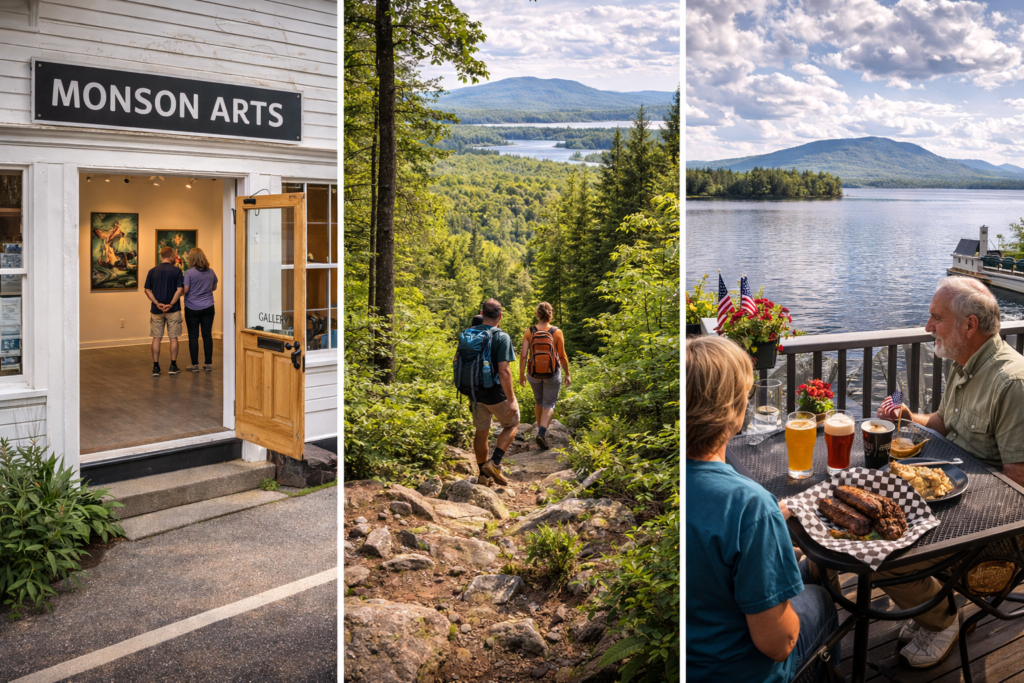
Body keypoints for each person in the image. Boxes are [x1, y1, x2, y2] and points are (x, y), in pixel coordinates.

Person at [869, 275, 1024, 666]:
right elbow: (943, 422)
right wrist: (910, 417)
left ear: (969, 325)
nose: (927, 327)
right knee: (870, 515)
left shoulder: (1013, 383)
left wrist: (943, 504)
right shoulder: (963, 362)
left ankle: (940, 619)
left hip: (990, 523)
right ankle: (926, 604)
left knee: (881, 549)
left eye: (936, 318)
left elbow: (1019, 482)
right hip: (948, 498)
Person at [687, 335, 839, 683]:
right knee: (821, 599)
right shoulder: (749, 507)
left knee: (804, 570)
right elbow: (779, 643)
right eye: (747, 396)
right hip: (742, 672)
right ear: (734, 412)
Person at [465, 299, 518, 487]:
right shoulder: (502, 337)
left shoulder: (469, 334)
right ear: (500, 316)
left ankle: (482, 476)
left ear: (481, 313)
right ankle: (494, 463)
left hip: (474, 392)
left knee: (481, 432)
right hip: (495, 392)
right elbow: (504, 371)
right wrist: (511, 399)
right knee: (512, 424)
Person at [519, 302, 570, 449]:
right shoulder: (557, 332)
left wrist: (521, 375)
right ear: (550, 315)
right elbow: (562, 355)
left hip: (533, 372)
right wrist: (567, 374)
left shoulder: (529, 332)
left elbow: (523, 356)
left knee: (539, 401)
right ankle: (542, 432)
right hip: (552, 373)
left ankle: (538, 430)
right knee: (549, 403)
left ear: (537, 314)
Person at [144, 246, 184, 377]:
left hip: (156, 310)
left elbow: (147, 290)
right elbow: (180, 290)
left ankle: (156, 367)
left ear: (161, 256)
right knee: (173, 338)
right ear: (172, 256)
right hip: (173, 310)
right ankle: (173, 366)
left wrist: (157, 303)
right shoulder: (177, 271)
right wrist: (171, 304)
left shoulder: (152, 271)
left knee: (156, 338)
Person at [183, 247, 218, 372]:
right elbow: (214, 288)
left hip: (192, 307)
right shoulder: (211, 272)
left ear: (191, 259)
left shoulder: (189, 273)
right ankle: (208, 364)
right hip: (208, 307)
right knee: (207, 335)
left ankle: (195, 365)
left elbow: (185, 290)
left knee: (193, 336)